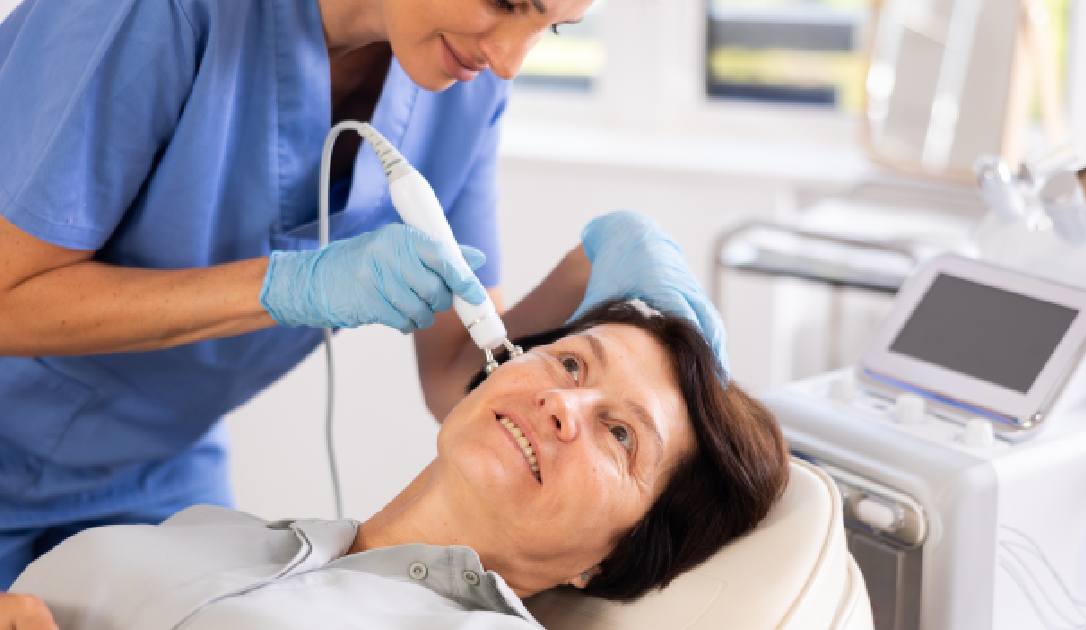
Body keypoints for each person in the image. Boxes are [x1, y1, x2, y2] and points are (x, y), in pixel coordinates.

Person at [0, 0, 728, 589]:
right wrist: (284, 286)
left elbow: (459, 377)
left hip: (156, 465)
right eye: (507, 4)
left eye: (551, 25)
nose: (509, 58)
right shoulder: (146, 13)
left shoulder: (463, 88)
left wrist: (589, 260)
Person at [3, 299, 788, 630]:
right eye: (573, 365)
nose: (564, 404)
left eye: (621, 436)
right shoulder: (222, 533)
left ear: (610, 558)